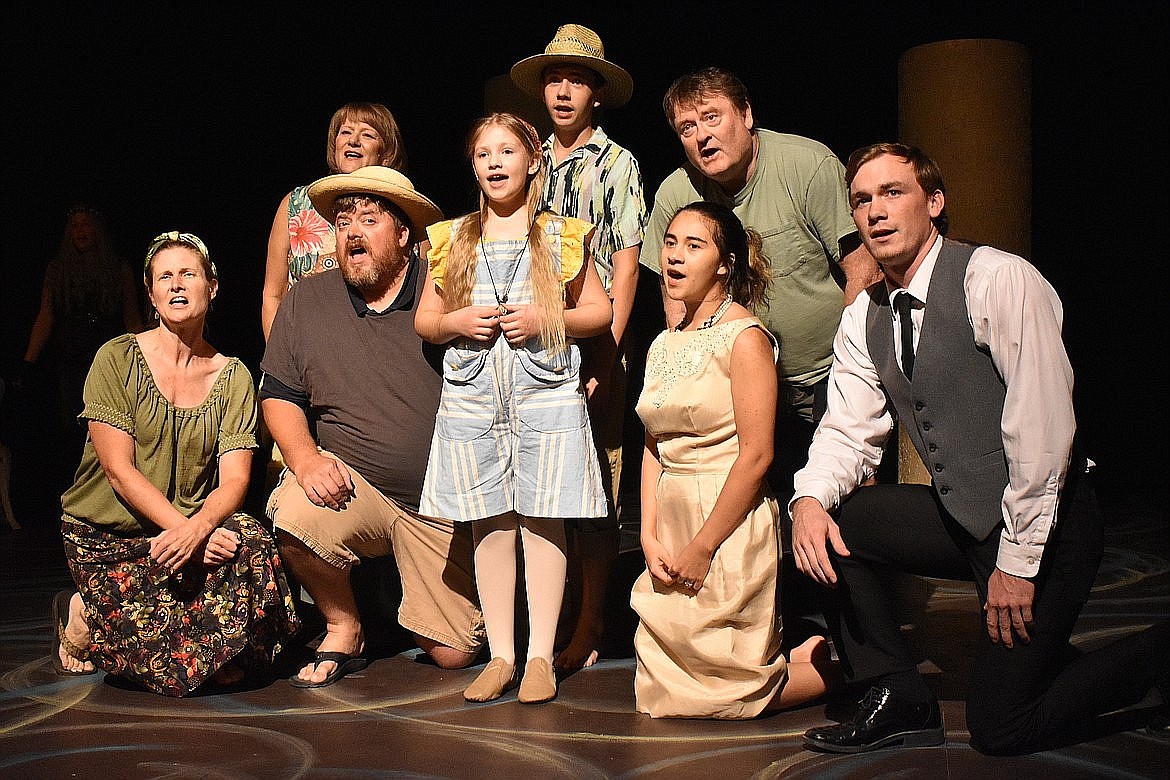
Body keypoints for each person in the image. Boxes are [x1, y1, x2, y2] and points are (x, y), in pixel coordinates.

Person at [790, 143, 1170, 754]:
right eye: (862, 200)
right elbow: (847, 430)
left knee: (1001, 728)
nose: (874, 212)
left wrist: (1018, 565)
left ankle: (1155, 658)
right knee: (835, 520)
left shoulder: (997, 278)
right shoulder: (866, 313)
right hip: (965, 519)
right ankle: (897, 695)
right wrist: (808, 499)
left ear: (934, 203)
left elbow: (1044, 431)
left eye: (893, 193)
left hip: (1047, 526)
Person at [262, 165, 485, 688]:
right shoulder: (307, 300)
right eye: (343, 224)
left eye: (369, 219)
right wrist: (307, 460)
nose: (353, 233)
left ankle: (393, 599)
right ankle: (345, 623)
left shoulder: (443, 293)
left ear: (404, 235)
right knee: (294, 511)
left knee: (454, 654)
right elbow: (279, 396)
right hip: (353, 486)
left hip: (440, 503)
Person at [415, 113, 612, 704]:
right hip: (475, 397)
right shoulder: (453, 237)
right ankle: (501, 654)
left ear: (533, 161)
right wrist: (454, 321)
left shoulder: (563, 235)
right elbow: (426, 320)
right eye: (483, 154)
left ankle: (540, 657)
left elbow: (598, 315)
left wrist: (546, 318)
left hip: (544, 395)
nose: (495, 163)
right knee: (491, 523)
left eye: (507, 151)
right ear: (473, 166)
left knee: (543, 518)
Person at [52, 231, 299, 696]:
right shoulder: (116, 359)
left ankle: (205, 640)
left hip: (186, 526)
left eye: (188, 273)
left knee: (252, 544)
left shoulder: (233, 376)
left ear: (212, 286)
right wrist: (186, 535)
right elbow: (119, 472)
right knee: (173, 663)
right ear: (151, 293)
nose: (177, 284)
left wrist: (199, 528)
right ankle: (83, 616)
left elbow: (235, 481)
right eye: (164, 276)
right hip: (111, 537)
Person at [632, 202, 838, 718]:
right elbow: (654, 442)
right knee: (664, 691)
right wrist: (648, 532)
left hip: (725, 518)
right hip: (672, 514)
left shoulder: (745, 339)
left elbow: (758, 455)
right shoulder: (663, 342)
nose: (675, 256)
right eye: (671, 243)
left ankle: (837, 669)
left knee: (722, 697)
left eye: (694, 246)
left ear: (725, 263)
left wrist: (703, 545)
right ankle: (799, 655)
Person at [638, 67, 880, 492]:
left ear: (746, 113)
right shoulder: (677, 193)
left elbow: (862, 267)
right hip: (738, 383)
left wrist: (851, 366)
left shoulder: (806, 164)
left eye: (712, 117)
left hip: (829, 370)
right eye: (687, 127)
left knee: (848, 505)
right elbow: (672, 295)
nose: (702, 137)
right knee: (757, 507)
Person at [510, 23, 647, 672]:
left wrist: (604, 357)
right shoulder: (530, 160)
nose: (563, 91)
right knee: (540, 489)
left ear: (597, 91)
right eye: (554, 79)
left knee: (594, 490)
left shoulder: (618, 165)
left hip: (590, 345)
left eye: (577, 80)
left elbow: (625, 266)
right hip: (528, 347)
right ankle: (547, 620)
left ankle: (590, 624)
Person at [261, 102, 407, 341]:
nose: (353, 141)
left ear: (385, 151)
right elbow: (273, 294)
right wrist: (278, 360)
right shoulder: (296, 204)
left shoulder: (401, 207)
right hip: (303, 349)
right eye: (345, 132)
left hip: (376, 348)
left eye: (367, 134)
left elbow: (420, 288)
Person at [21, 205, 143, 440]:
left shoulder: (118, 268)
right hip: (71, 356)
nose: (80, 231)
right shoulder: (57, 270)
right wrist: (28, 362)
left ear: (97, 229)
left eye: (85, 224)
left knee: (108, 421)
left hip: (108, 355)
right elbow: (46, 316)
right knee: (73, 426)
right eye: (75, 226)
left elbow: (131, 318)